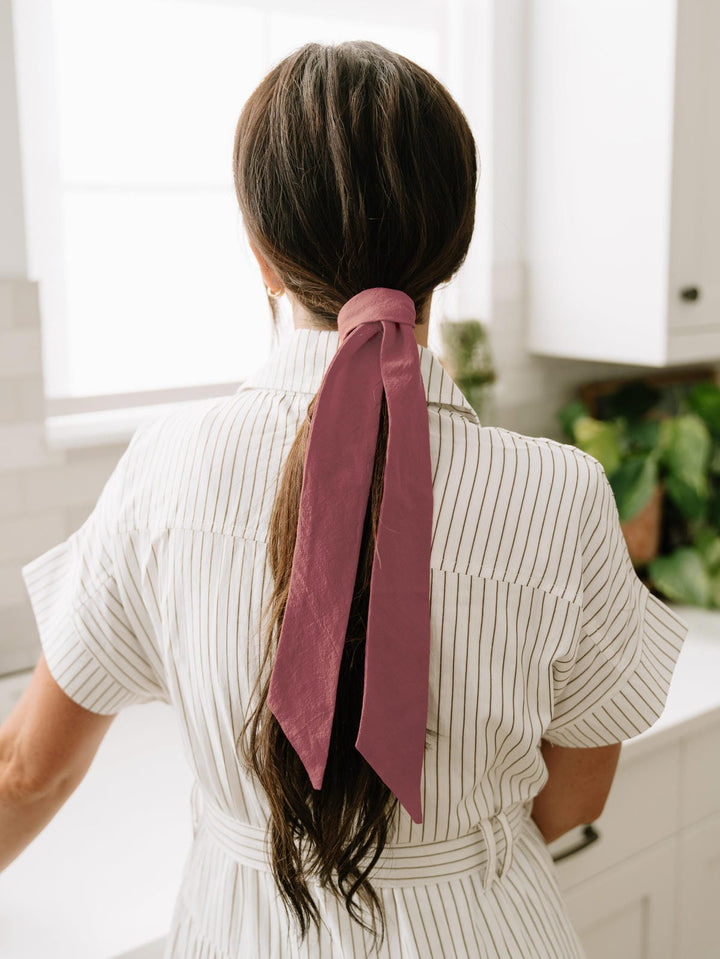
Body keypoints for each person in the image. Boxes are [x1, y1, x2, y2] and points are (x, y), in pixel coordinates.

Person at [2, 40, 688, 958]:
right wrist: (438, 856)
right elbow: (575, 794)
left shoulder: (164, 469)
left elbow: (26, 772)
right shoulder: (561, 494)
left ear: (261, 254)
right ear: (455, 244)